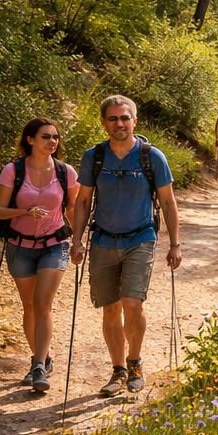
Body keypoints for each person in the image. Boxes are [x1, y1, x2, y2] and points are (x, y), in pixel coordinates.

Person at [70, 96, 181, 398]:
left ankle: (135, 363)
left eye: (125, 118)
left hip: (140, 238)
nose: (119, 123)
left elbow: (169, 202)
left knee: (133, 302)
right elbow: (83, 201)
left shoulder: (151, 156)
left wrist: (175, 244)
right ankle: (118, 370)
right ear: (104, 122)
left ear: (135, 121)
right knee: (110, 308)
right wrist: (77, 239)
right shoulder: (94, 157)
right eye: (113, 118)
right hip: (103, 239)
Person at [0, 118, 79, 393]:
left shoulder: (67, 173)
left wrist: (78, 240)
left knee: (42, 303)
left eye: (55, 137)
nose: (53, 142)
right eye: (46, 137)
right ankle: (42, 357)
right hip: (20, 245)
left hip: (55, 243)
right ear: (30, 140)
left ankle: (39, 366)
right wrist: (24, 212)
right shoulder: (12, 171)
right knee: (29, 305)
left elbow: (74, 210)